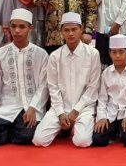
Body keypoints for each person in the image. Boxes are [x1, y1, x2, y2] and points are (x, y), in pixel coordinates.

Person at [0, 9, 49, 147]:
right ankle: (12, 132)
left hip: (30, 108)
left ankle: (7, 133)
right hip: (6, 108)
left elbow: (44, 86)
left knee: (28, 136)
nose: (17, 31)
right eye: (13, 26)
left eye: (22, 27)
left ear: (30, 28)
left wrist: (33, 107)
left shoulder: (41, 54)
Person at [32, 12, 101, 148]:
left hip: (84, 108)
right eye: (66, 30)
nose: (70, 34)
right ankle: (66, 126)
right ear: (61, 31)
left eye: (74, 29)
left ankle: (77, 125)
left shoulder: (93, 54)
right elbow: (53, 88)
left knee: (82, 142)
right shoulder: (55, 56)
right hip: (61, 107)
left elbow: (93, 87)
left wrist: (76, 111)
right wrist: (60, 112)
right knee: (39, 140)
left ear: (81, 29)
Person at [92, 34, 126, 147]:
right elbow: (102, 98)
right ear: (110, 53)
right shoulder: (106, 73)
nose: (117, 56)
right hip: (111, 113)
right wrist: (102, 117)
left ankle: (118, 132)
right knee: (98, 139)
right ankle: (116, 131)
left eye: (121, 52)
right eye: (114, 52)